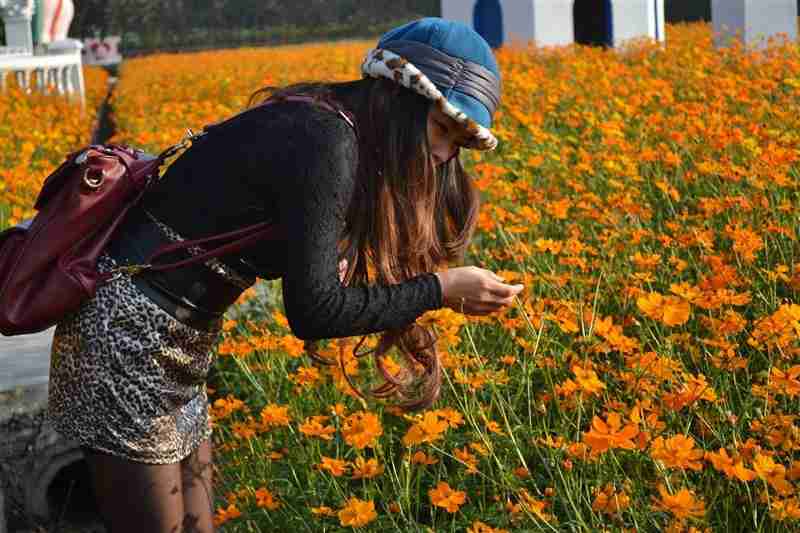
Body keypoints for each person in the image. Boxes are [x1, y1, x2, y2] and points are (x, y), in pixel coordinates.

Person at [46, 17, 523, 533]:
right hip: (129, 334)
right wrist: (441, 289)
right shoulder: (327, 142)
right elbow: (313, 313)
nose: (443, 153)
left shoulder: (332, 125)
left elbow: (241, 239)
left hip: (180, 333)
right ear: (399, 99)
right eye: (439, 127)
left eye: (457, 140)